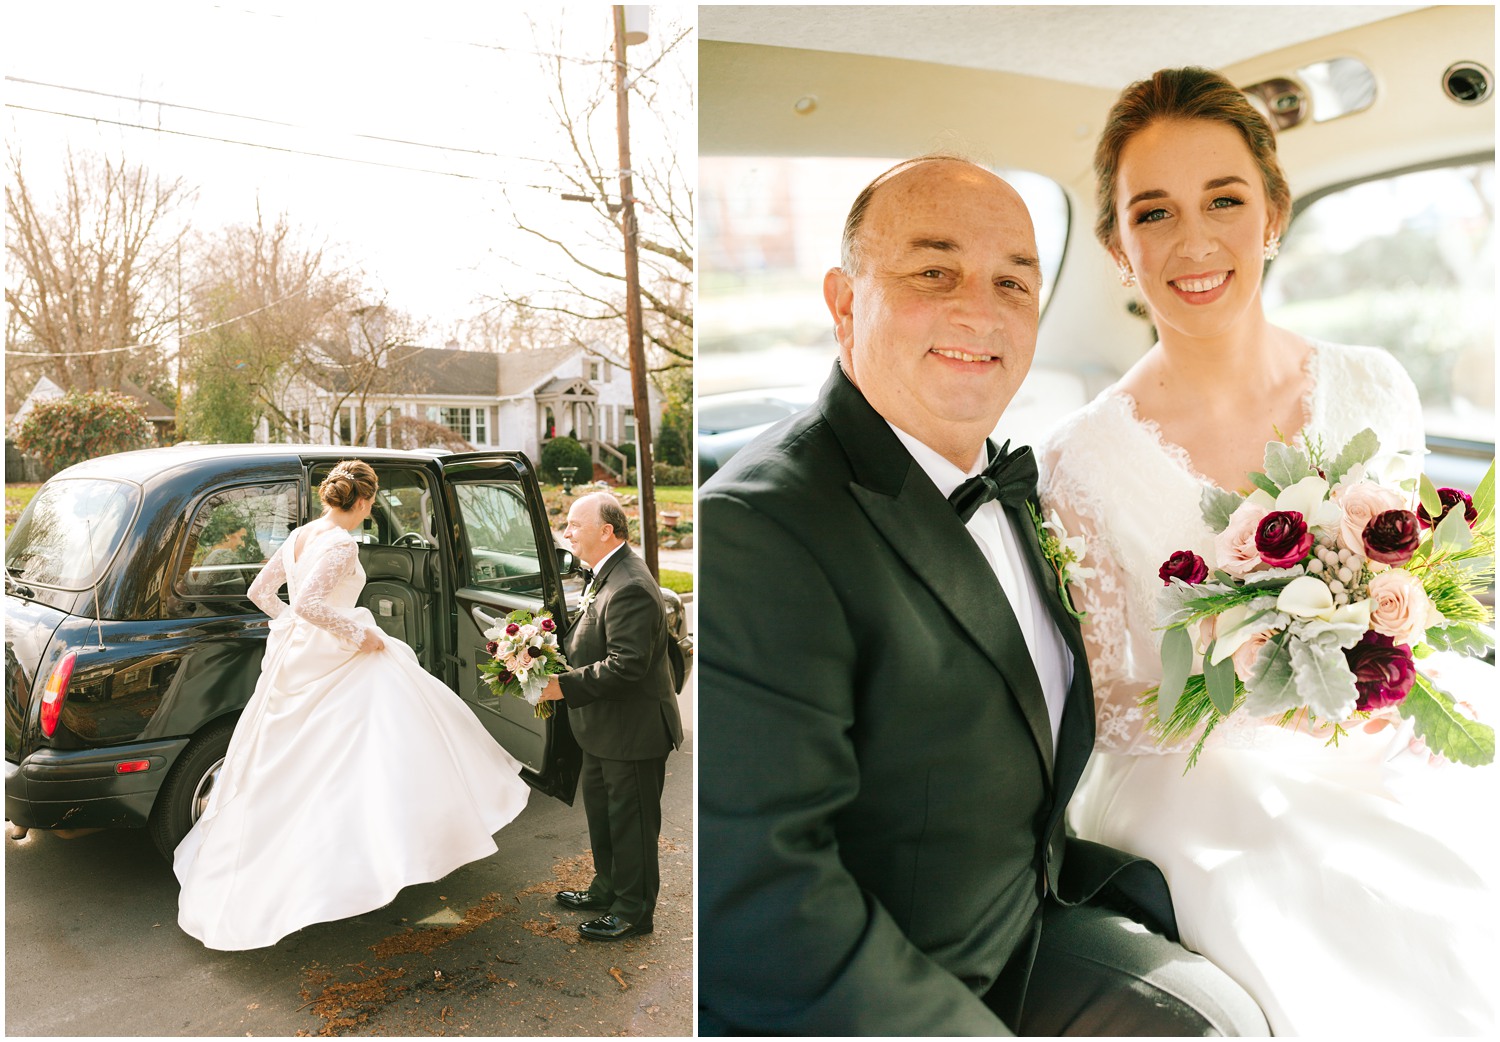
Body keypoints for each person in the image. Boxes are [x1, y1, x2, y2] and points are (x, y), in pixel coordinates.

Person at [697, 155, 1267, 1036]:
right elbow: (760, 898)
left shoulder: (1020, 484)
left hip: (1026, 918)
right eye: (934, 272)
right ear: (846, 302)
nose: (981, 308)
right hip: (894, 985)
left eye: (1014, 282)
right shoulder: (758, 530)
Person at [1039, 67, 1499, 1035]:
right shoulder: (1080, 460)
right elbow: (1119, 713)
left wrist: (1377, 683)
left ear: (1274, 214)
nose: (1194, 241)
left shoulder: (1374, 386)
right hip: (1205, 771)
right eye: (1153, 213)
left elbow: (1407, 592)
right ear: (1119, 248)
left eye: (1225, 200)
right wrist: (1268, 694)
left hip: (1379, 728)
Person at [174, 460, 530, 950]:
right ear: (363, 501)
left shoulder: (300, 535)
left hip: (298, 657)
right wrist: (359, 634)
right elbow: (311, 605)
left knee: (296, 765)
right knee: (371, 751)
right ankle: (379, 855)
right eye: (371, 504)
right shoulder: (341, 543)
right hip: (338, 654)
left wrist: (289, 628)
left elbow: (263, 593)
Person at [538, 492, 683, 942]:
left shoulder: (632, 586)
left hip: (633, 732)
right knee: (603, 817)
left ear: (607, 531)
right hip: (602, 728)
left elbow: (627, 665)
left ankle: (633, 911)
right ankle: (606, 887)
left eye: (575, 525)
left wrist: (561, 686)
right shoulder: (603, 574)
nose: (567, 533)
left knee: (632, 825)